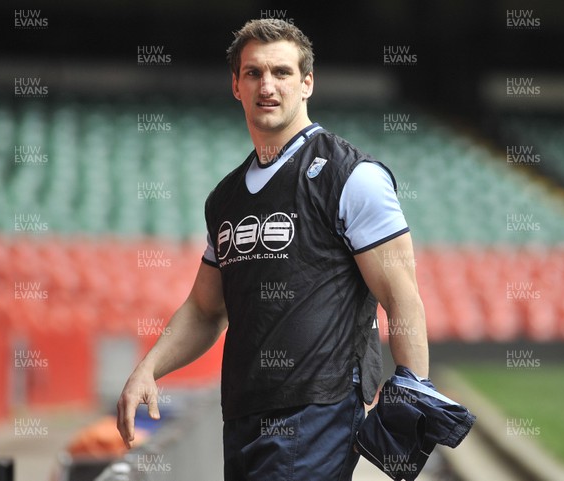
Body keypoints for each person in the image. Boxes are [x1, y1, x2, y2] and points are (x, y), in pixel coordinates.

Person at [117, 18, 429, 481]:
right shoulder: (225, 199)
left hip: (316, 414)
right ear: (236, 86)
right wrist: (149, 369)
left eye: (282, 72)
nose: (268, 85)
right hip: (242, 416)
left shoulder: (352, 176)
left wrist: (413, 395)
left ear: (307, 84)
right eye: (253, 73)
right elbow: (206, 310)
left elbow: (402, 296)